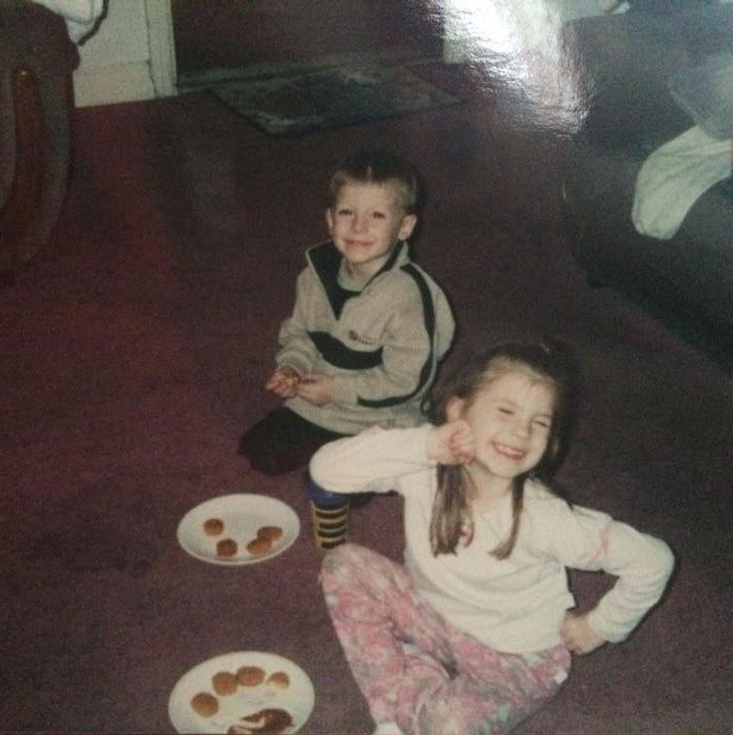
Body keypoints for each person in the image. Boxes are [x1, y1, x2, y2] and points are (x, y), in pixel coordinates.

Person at [311, 339, 675, 735]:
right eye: (505, 411)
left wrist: (601, 627)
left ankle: (411, 694)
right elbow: (326, 471)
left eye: (540, 423)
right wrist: (426, 444)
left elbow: (653, 560)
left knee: (450, 724)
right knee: (343, 563)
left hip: (514, 657)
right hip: (431, 613)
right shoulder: (422, 465)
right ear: (458, 410)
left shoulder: (546, 518)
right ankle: (401, 707)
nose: (521, 432)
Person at [239, 150, 455, 548]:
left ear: (405, 227)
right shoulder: (313, 277)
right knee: (258, 452)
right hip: (316, 403)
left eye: (377, 215)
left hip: (380, 413)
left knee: (341, 486)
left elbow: (408, 379)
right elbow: (300, 333)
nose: (358, 226)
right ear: (329, 219)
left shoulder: (409, 296)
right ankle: (340, 454)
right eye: (346, 213)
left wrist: (338, 389)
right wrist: (292, 367)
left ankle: (382, 457)